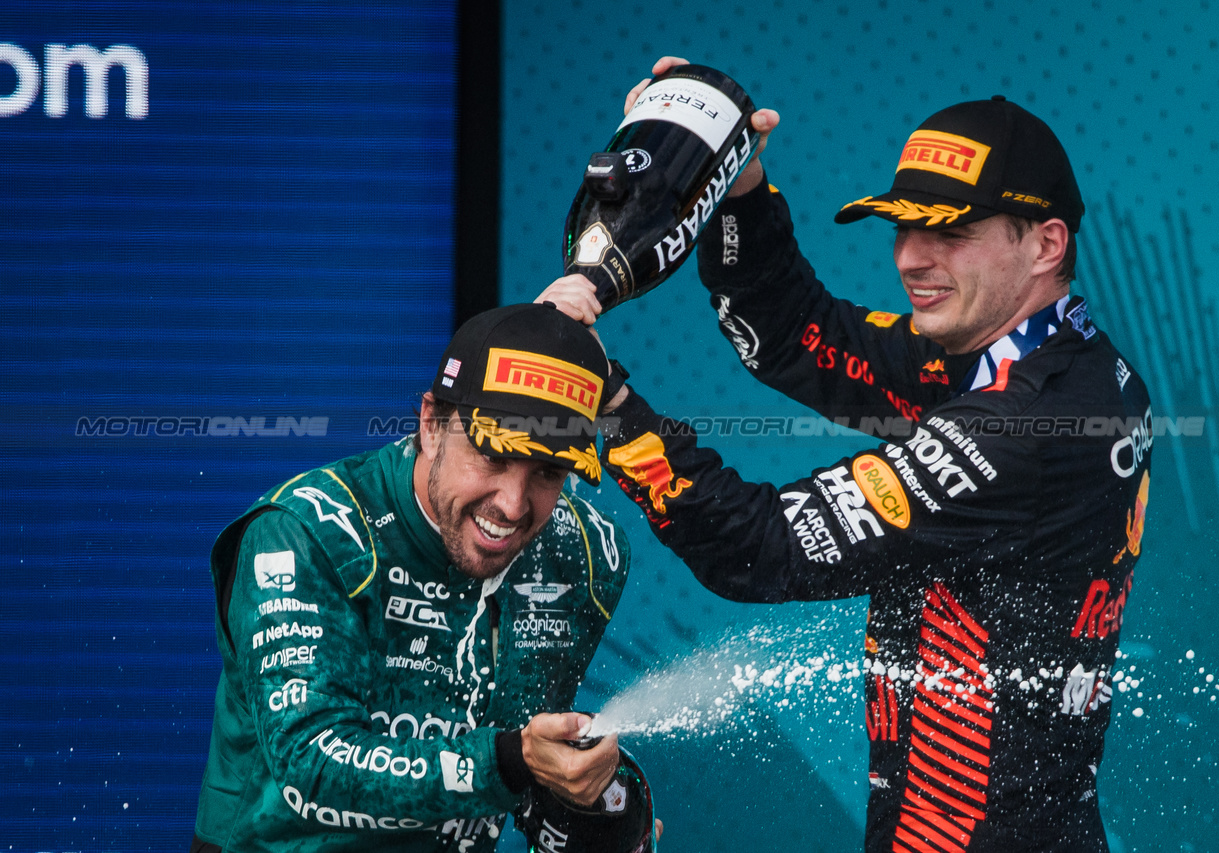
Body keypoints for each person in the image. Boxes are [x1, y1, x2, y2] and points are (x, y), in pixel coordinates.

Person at [539, 57, 1153, 852]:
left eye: (950, 230)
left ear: (1045, 244)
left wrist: (610, 406)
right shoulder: (1020, 357)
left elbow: (761, 550)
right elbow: (800, 336)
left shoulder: (1029, 425)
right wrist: (738, 187)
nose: (910, 258)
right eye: (904, 223)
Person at [193, 303, 633, 853]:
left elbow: (526, 752)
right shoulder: (307, 533)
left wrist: (589, 803)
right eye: (493, 456)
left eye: (548, 472)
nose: (514, 505)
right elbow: (309, 763)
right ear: (431, 424)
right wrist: (513, 762)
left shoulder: (586, 555)